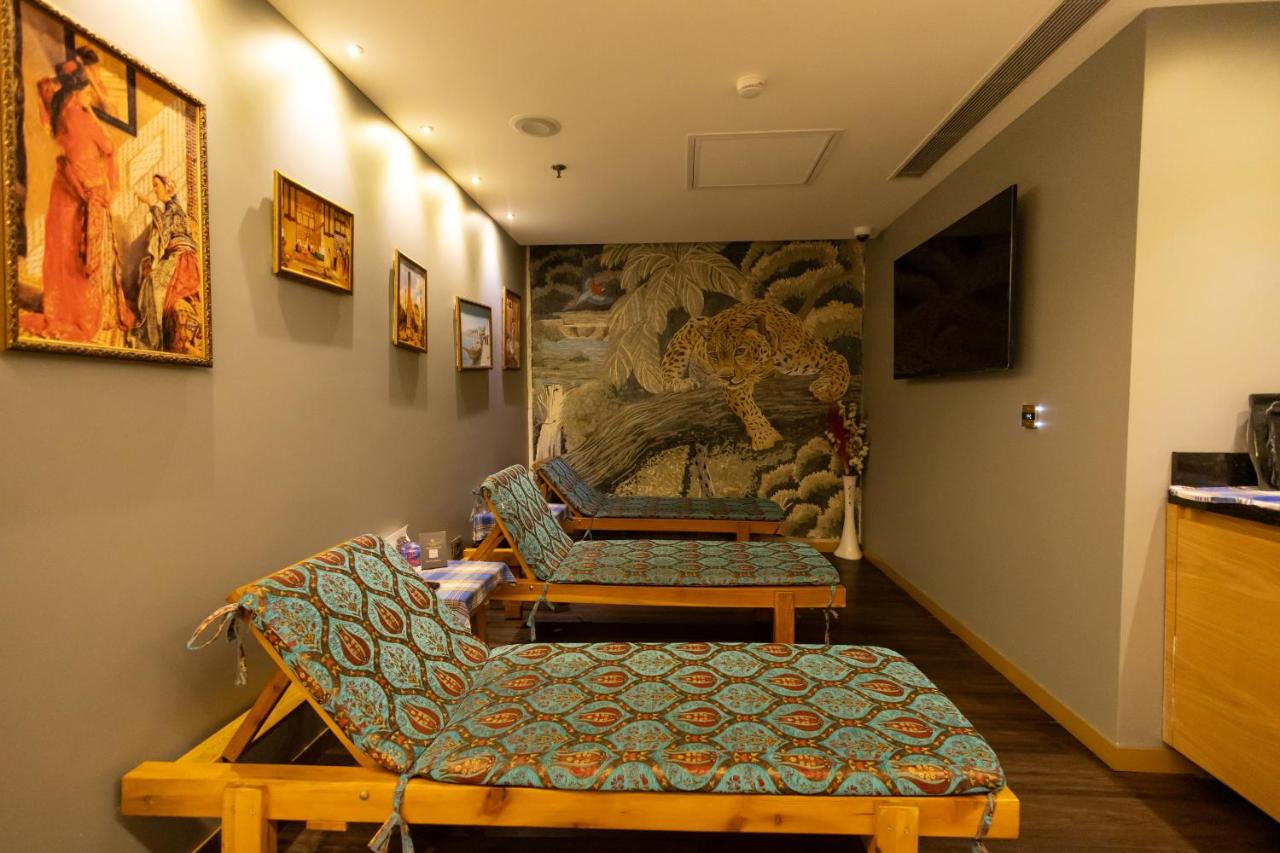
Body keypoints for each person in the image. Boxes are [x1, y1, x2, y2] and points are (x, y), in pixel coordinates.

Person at [20, 48, 133, 344]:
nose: (90, 94)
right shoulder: (80, 115)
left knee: (64, 252)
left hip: (65, 188)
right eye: (87, 89)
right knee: (81, 257)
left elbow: (44, 86)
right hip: (85, 191)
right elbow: (108, 147)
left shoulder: (60, 109)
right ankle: (81, 314)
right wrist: (106, 188)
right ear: (81, 89)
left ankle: (63, 309)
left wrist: (71, 80)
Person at [134, 174, 202, 355]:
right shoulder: (171, 208)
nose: (154, 189)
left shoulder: (173, 208)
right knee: (150, 280)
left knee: (153, 284)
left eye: (156, 185)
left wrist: (149, 203)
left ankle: (153, 338)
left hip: (183, 260)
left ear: (167, 188)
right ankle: (151, 333)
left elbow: (165, 232)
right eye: (153, 186)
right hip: (176, 255)